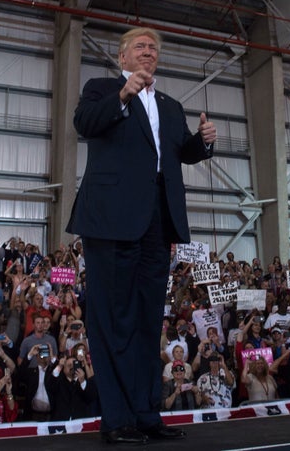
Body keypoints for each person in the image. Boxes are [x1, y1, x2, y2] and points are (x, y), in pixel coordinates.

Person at [65, 27, 216, 444]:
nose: (148, 52)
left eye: (153, 48)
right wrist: (123, 95)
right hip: (110, 220)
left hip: (157, 222)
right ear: (123, 56)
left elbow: (177, 152)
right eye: (140, 47)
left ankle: (147, 414)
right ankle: (116, 420)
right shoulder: (101, 88)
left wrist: (201, 145)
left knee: (150, 321)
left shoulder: (170, 105)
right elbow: (85, 124)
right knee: (113, 321)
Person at [45, 356, 98, 421]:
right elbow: (49, 386)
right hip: (61, 423)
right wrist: (59, 366)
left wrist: (82, 382)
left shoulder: (85, 381)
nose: (72, 367)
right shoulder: (58, 382)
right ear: (63, 369)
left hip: (80, 422)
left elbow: (91, 397)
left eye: (74, 364)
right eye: (69, 365)